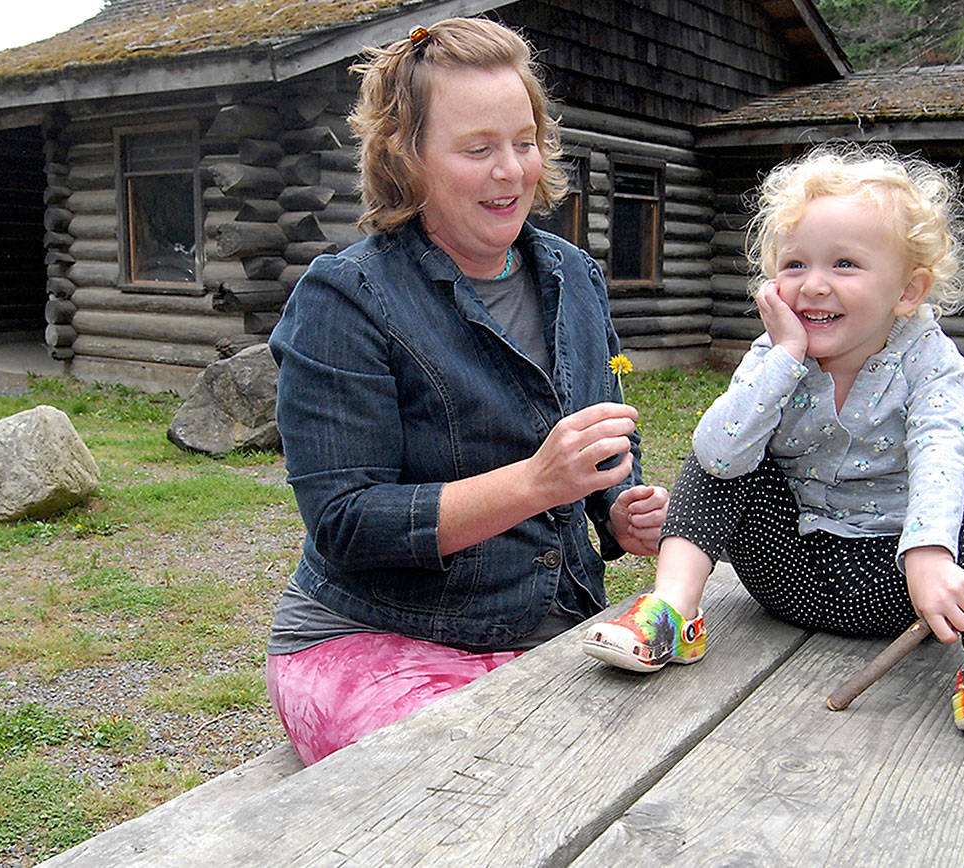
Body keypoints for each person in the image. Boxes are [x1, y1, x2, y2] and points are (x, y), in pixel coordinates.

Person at [582, 143, 964, 732]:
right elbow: (718, 452)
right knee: (723, 457)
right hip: (785, 569)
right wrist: (786, 354)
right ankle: (671, 615)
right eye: (794, 265)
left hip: (899, 585)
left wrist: (930, 553)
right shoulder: (773, 355)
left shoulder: (929, 360)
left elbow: (942, 450)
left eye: (844, 265)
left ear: (908, 292)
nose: (813, 286)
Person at [266, 17, 668, 764]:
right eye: (478, 148)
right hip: (375, 637)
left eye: (524, 142)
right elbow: (346, 524)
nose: (512, 171)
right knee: (482, 792)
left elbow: (606, 430)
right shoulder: (345, 298)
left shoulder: (574, 276)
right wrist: (535, 481)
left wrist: (621, 509)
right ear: (407, 157)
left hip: (551, 624)